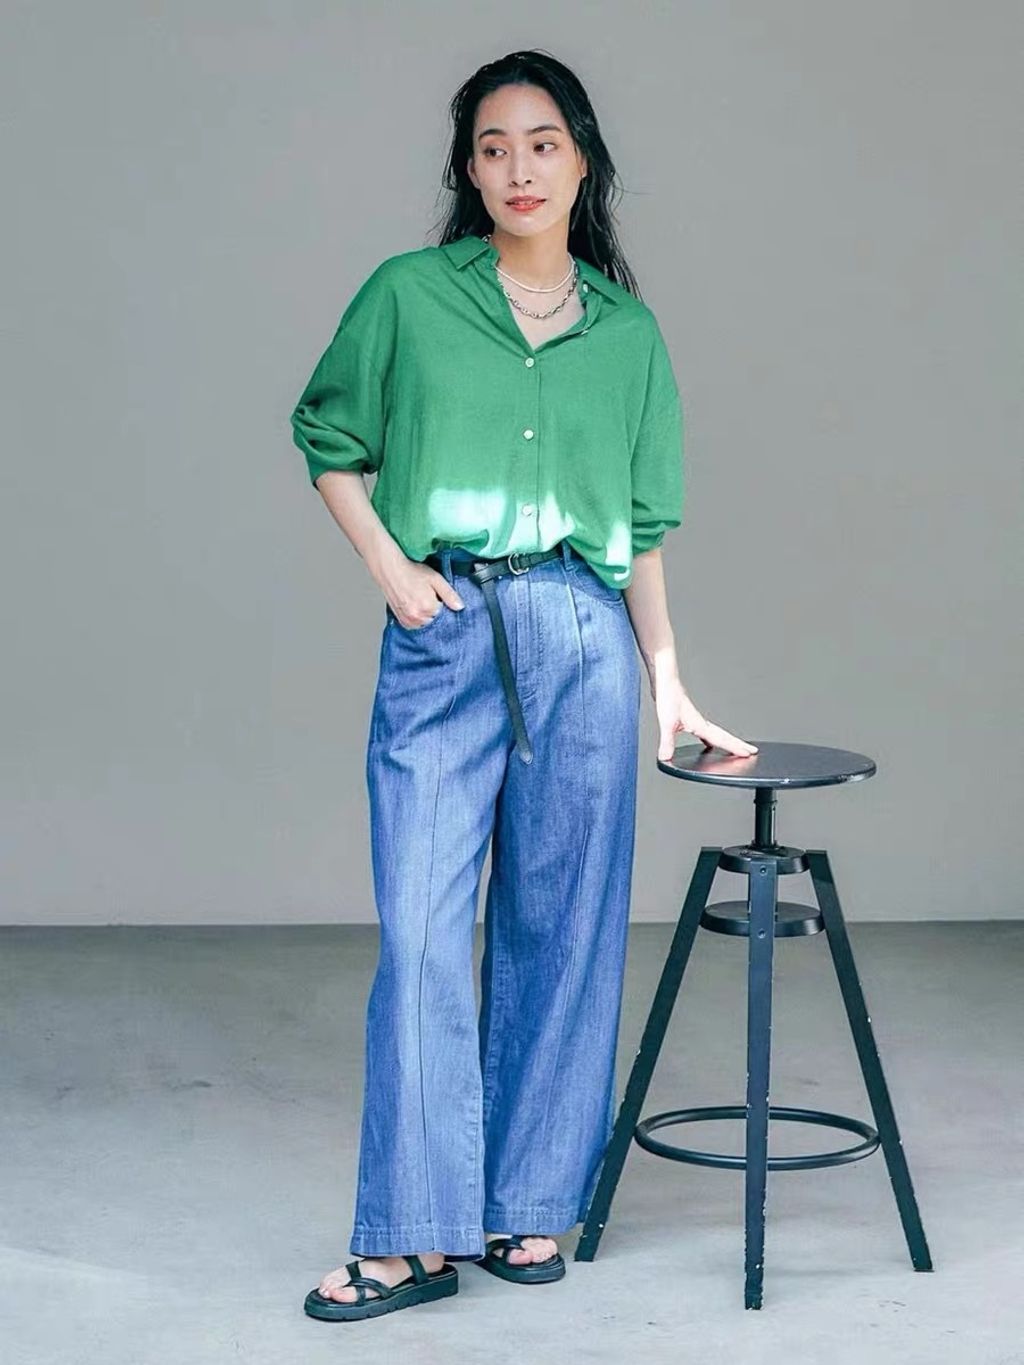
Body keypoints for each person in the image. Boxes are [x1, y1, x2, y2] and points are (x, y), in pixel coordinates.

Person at [289, 49, 758, 1323]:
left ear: (582, 160)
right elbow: (328, 434)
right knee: (423, 932)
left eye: (542, 144)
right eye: (492, 148)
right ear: (468, 168)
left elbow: (640, 532)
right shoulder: (408, 294)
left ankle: (527, 1200)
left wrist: (667, 683)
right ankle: (407, 1236)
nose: (518, 169)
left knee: (564, 928)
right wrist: (391, 570)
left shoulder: (627, 334)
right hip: (443, 625)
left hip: (583, 635)